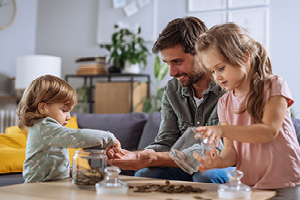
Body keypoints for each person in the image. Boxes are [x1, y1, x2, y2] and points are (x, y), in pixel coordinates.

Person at [108, 16, 235, 183]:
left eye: (177, 61)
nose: (172, 72)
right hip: (186, 164)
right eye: (167, 63)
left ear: (202, 54)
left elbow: (216, 150)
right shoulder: (173, 89)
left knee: (205, 175)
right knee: (146, 174)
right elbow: (166, 140)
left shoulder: (228, 87)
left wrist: (156, 159)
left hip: (226, 163)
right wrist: (134, 155)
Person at [193, 23, 300, 189]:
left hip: (285, 180)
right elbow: (231, 151)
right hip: (249, 184)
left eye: (221, 68)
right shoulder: (224, 103)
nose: (217, 77)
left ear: (244, 56)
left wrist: (222, 130)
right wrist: (219, 161)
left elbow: (268, 132)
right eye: (212, 72)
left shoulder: (274, 85)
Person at [16, 75, 123, 183]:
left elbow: (52, 159)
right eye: (64, 110)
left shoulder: (46, 129)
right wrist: (109, 138)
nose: (69, 116)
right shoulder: (44, 127)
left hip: (53, 185)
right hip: (38, 188)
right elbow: (76, 136)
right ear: (43, 108)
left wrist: (70, 170)